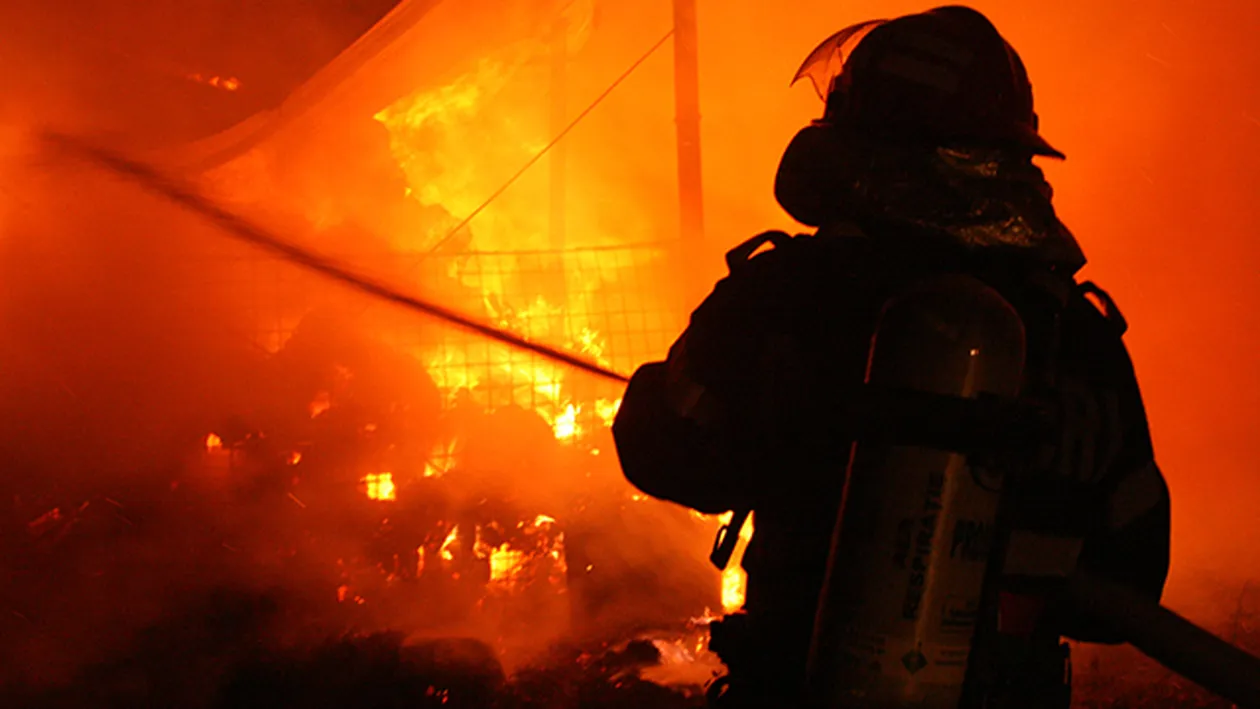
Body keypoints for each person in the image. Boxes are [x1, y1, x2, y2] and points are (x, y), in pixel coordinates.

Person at [611, 6, 1171, 708]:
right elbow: (1132, 570)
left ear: (861, 139)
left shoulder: (786, 291)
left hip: (796, 683)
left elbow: (660, 452)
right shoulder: (1073, 335)